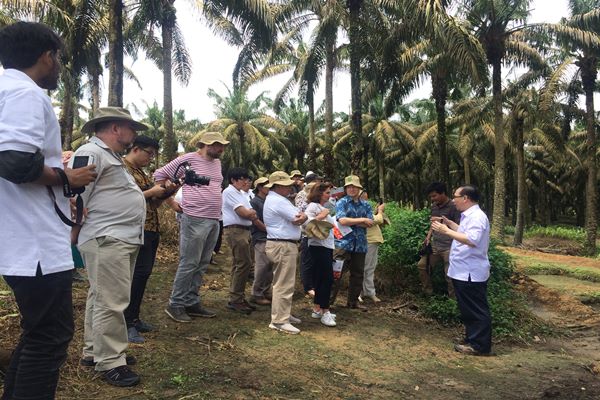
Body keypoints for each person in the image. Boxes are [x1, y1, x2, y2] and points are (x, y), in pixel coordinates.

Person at [0, 21, 96, 400]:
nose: (58, 65)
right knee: (50, 338)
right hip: (34, 242)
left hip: (18, 237)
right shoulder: (26, 94)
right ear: (46, 55)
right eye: (58, 56)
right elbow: (15, 164)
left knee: (39, 333)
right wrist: (66, 177)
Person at [72, 106, 148, 387]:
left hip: (117, 237)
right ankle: (111, 361)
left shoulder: (108, 156)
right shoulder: (91, 153)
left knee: (101, 296)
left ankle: (94, 351)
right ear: (116, 128)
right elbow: (75, 198)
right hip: (106, 237)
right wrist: (73, 234)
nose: (134, 134)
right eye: (131, 128)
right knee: (112, 300)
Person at [154, 131, 229, 323]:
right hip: (194, 217)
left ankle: (191, 301)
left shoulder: (217, 163)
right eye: (217, 145)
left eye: (222, 145)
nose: (221, 149)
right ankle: (175, 303)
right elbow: (159, 175)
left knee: (203, 263)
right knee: (189, 263)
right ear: (205, 144)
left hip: (214, 218)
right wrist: (170, 201)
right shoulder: (188, 159)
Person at [123, 136, 179, 344]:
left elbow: (153, 204)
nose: (151, 158)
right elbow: (123, 198)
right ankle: (126, 322)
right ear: (136, 149)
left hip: (150, 228)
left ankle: (134, 318)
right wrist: (151, 191)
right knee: (135, 275)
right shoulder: (122, 169)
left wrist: (166, 193)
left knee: (143, 274)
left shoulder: (141, 172)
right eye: (149, 153)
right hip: (135, 229)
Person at [432, 185, 492, 356]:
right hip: (463, 270)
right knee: (467, 308)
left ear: (465, 198)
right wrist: (452, 225)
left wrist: (447, 231)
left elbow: (472, 240)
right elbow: (466, 233)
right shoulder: (469, 216)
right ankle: (472, 338)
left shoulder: (477, 217)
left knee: (476, 309)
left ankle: (480, 345)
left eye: (456, 196)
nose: (453, 200)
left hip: (470, 272)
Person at [263, 171, 307, 334]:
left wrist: (302, 217)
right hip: (282, 245)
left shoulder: (276, 199)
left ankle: (283, 314)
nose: (290, 187)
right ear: (279, 186)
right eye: (287, 185)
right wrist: (303, 216)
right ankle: (280, 320)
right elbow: (298, 218)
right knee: (283, 283)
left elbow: (299, 218)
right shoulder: (278, 201)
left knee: (283, 281)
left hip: (282, 244)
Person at [330, 175, 374, 310]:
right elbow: (342, 220)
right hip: (343, 243)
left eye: (354, 187)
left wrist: (355, 221)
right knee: (336, 272)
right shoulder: (341, 202)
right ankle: (327, 301)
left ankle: (352, 302)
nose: (352, 189)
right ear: (345, 189)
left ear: (359, 189)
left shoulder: (366, 204)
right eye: (349, 187)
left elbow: (370, 222)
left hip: (360, 244)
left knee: (358, 273)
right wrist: (362, 220)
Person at [222, 167, 257, 314]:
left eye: (246, 179)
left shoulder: (241, 194)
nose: (245, 182)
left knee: (242, 263)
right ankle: (235, 299)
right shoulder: (229, 192)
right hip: (236, 230)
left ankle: (238, 297)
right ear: (233, 180)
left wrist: (250, 213)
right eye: (242, 179)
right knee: (243, 263)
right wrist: (250, 214)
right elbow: (245, 213)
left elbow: (252, 213)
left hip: (244, 230)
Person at [418, 182, 461, 297]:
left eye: (434, 196)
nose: (433, 199)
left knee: (450, 275)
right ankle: (428, 293)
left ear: (442, 193)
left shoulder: (454, 207)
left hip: (450, 247)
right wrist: (428, 237)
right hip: (435, 246)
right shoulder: (434, 206)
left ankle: (453, 302)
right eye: (431, 197)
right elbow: (433, 224)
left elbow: (460, 227)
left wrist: (442, 221)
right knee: (422, 265)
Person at [304, 183, 337, 327]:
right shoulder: (313, 207)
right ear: (319, 193)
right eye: (327, 193)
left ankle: (318, 307)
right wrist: (321, 216)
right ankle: (325, 310)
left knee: (320, 277)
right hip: (318, 245)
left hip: (326, 245)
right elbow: (306, 224)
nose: (329, 195)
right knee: (327, 278)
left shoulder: (324, 207)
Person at [295, 172, 323, 297]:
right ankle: (307, 286)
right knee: (306, 259)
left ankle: (313, 284)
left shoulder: (319, 197)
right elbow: (301, 213)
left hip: (319, 232)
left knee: (315, 260)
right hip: (307, 231)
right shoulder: (302, 194)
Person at [359, 190, 388, 303]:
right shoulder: (358, 208)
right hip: (368, 241)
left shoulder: (364, 207)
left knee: (370, 268)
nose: (366, 201)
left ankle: (369, 292)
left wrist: (376, 212)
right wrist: (380, 212)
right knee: (364, 268)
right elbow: (376, 220)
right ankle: (359, 292)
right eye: (364, 198)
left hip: (372, 241)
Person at [250, 177, 273, 305]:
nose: (269, 188)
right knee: (262, 266)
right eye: (266, 186)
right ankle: (256, 293)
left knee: (269, 265)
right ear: (259, 187)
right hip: (260, 236)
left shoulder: (268, 201)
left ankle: (265, 290)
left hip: (269, 236)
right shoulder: (255, 202)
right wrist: (268, 230)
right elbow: (255, 220)